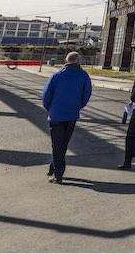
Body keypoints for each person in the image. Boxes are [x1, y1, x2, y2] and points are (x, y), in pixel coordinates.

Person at [41, 51, 92, 183]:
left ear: (66, 60)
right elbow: (86, 94)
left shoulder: (57, 76)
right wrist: (78, 106)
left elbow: (46, 95)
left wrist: (50, 108)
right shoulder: (83, 76)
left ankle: (58, 175)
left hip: (56, 115)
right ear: (78, 61)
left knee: (57, 144)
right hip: (72, 115)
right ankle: (53, 168)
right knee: (63, 143)